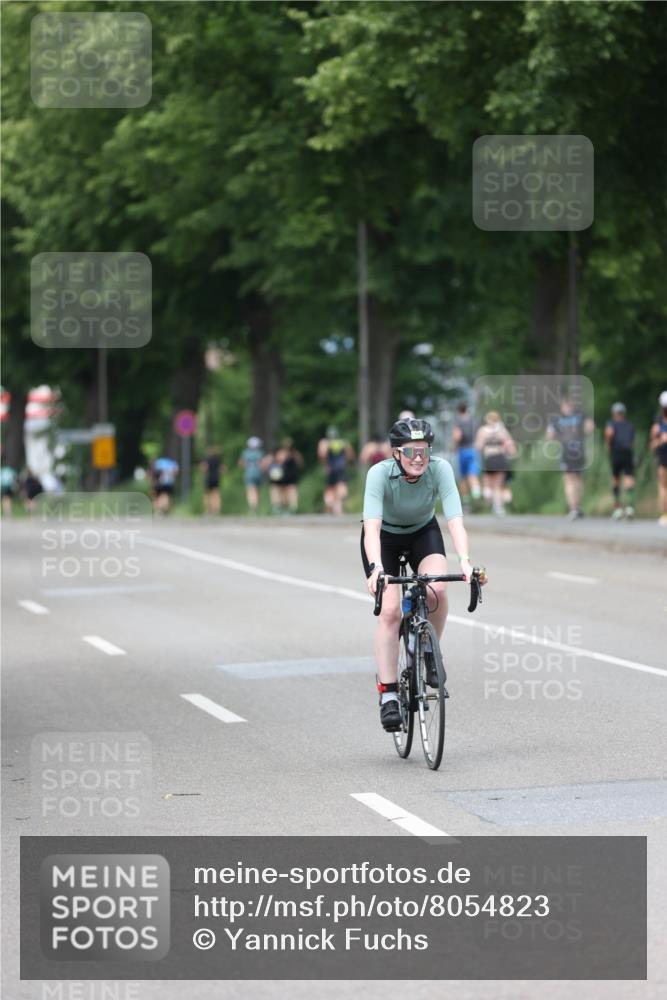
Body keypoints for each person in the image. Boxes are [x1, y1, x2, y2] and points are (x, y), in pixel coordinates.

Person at [362, 417, 481, 731]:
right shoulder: (378, 474)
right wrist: (376, 568)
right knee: (389, 611)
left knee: (437, 590)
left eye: (424, 451)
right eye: (411, 451)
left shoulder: (440, 469)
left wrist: (465, 561)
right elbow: (371, 528)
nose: (419, 458)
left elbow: (454, 519)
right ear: (396, 454)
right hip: (384, 538)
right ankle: (388, 693)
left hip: (422, 532)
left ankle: (428, 649)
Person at [546, 396, 594, 520]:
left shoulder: (557, 419)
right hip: (578, 450)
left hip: (566, 451)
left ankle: (573, 508)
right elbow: (590, 428)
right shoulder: (581, 415)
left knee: (569, 480)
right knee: (577, 479)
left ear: (562, 406)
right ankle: (577, 506)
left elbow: (550, 436)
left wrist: (560, 437)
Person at [474, 411, 517, 517]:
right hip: (500, 458)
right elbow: (511, 447)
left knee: (488, 484)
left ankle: (489, 500)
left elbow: (478, 446)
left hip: (489, 458)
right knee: (498, 485)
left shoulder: (482, 431)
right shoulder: (502, 431)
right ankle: (498, 507)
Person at [604, 403, 636, 520]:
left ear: (614, 413)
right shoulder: (629, 425)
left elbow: (609, 433)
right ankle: (630, 507)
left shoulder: (611, 423)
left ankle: (617, 508)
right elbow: (632, 442)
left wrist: (608, 448)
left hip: (616, 452)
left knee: (616, 479)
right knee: (629, 478)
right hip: (628, 452)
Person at [317, 426, 355, 515]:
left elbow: (322, 454)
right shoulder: (343, 442)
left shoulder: (324, 443)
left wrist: (325, 464)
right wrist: (346, 462)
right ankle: (339, 505)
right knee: (341, 486)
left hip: (330, 468)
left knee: (330, 488)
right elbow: (351, 455)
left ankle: (331, 504)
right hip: (341, 467)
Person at [452, 402, 481, 512]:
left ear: (458, 411)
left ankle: (466, 503)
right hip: (473, 450)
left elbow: (457, 436)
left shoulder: (459, 422)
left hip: (463, 450)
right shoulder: (474, 421)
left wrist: (454, 446)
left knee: (463, 478)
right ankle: (477, 497)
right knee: (473, 475)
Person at [649, 390, 667, 526]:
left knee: (663, 486)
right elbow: (653, 445)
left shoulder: (658, 423)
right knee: (662, 486)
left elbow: (652, 444)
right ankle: (665, 514)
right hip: (663, 456)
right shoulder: (657, 423)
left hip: (662, 457)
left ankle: (664, 514)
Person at [239, 436, 264, 514]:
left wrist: (247, 465)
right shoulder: (260, 452)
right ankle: (256, 506)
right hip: (258, 473)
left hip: (249, 473)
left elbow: (241, 463)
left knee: (250, 491)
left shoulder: (246, 453)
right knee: (257, 491)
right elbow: (262, 464)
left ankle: (252, 508)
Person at [200, 445, 226, 516]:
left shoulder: (206, 459)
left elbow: (203, 468)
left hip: (208, 478)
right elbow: (223, 469)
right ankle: (216, 510)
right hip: (216, 478)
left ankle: (208, 510)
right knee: (216, 494)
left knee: (207, 495)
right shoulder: (218, 459)